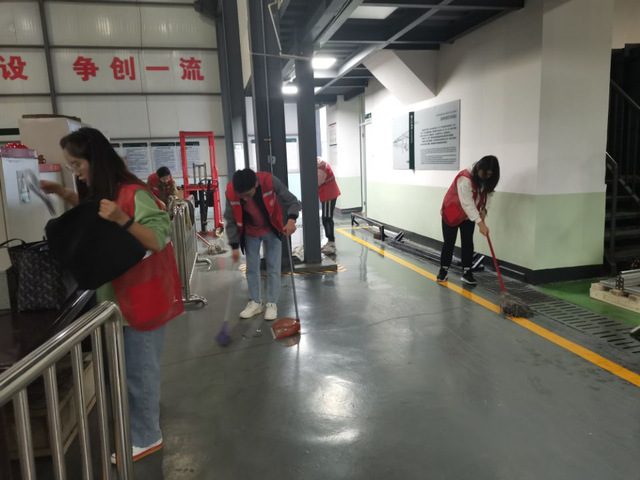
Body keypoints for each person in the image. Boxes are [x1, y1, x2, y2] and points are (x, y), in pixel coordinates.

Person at [41, 127, 183, 463]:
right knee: (133, 371)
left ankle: (147, 437)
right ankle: (142, 421)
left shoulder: (134, 193)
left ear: (95, 160)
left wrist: (122, 220)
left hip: (142, 300)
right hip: (118, 300)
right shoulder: (107, 192)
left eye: (77, 165)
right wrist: (63, 192)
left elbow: (157, 237)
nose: (76, 172)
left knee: (140, 373)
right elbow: (96, 213)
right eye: (72, 167)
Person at [224, 168, 301, 321]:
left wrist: (291, 220)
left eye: (248, 194)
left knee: (273, 267)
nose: (245, 199)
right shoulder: (231, 191)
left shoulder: (269, 181)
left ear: (256, 184)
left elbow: (293, 201)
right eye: (242, 196)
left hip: (271, 229)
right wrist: (234, 246)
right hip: (250, 232)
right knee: (252, 268)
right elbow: (231, 220)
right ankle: (255, 302)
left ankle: (272, 303)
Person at [437, 155, 500, 285]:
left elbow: (488, 194)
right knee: (449, 242)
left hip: (468, 215)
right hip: (452, 211)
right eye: (485, 174)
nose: (487, 177)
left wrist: (484, 210)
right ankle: (443, 271)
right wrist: (480, 223)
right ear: (478, 169)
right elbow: (467, 203)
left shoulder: (486, 178)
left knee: (468, 243)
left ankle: (467, 273)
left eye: (490, 175)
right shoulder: (465, 178)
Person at [317, 157, 341, 255]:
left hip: (328, 195)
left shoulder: (320, 169)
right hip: (328, 193)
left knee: (327, 218)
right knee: (326, 218)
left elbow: (317, 183)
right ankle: (329, 242)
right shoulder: (320, 163)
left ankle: (331, 244)